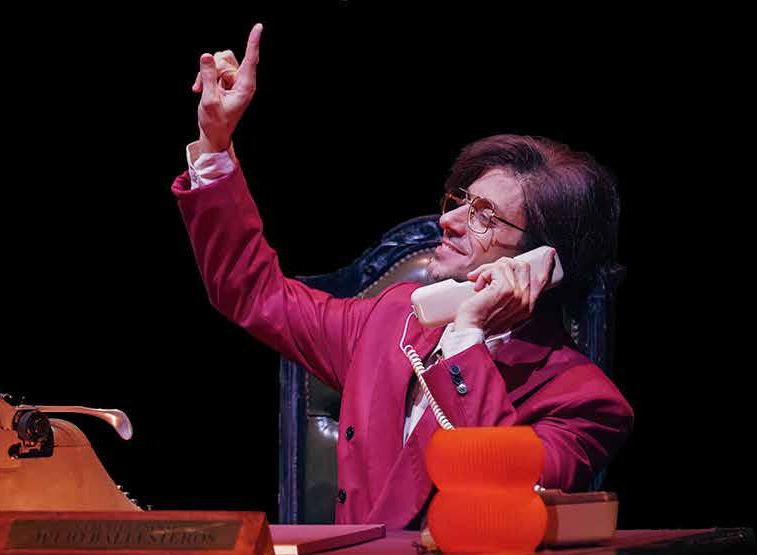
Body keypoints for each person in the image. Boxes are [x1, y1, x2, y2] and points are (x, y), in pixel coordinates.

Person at [171, 24, 633, 528]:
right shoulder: (392, 318)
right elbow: (252, 292)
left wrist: (468, 335)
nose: (448, 220)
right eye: (460, 201)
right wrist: (215, 143)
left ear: (542, 260)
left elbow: (499, 498)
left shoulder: (584, 402)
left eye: (483, 216)